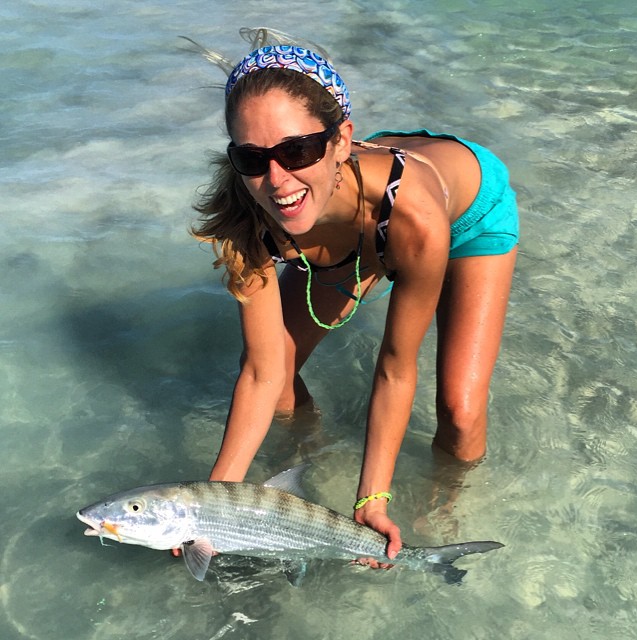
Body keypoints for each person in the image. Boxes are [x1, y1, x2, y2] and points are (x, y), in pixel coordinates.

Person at [191, 36, 518, 563]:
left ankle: (449, 506)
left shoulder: (413, 220)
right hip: (349, 226)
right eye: (251, 158)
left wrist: (373, 496)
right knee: (277, 390)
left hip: (454, 212)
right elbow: (259, 372)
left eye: (297, 150)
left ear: (341, 139)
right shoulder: (244, 221)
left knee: (459, 411)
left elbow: (394, 367)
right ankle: (308, 464)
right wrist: (210, 508)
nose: (276, 180)